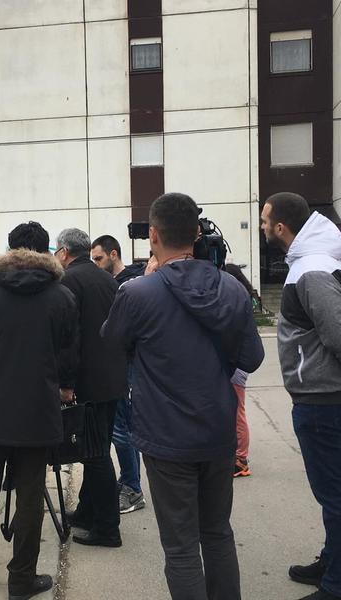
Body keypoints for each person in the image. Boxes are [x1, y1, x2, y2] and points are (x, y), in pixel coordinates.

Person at [103, 193, 264, 600]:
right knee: (218, 533)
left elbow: (112, 343)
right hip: (217, 429)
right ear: (196, 232)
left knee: (180, 547)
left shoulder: (138, 293)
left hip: (165, 434)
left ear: (153, 236)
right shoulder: (231, 287)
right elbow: (252, 357)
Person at [0, 222, 77, 599]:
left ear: (9, 251)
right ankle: (21, 579)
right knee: (30, 496)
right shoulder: (61, 297)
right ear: (46, 251)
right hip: (36, 410)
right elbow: (68, 352)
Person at [261, 192, 341, 600]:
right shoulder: (308, 261)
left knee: (335, 494)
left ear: (280, 226)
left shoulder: (311, 269)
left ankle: (336, 584)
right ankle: (331, 560)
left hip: (323, 400)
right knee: (331, 493)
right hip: (318, 396)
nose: (261, 226)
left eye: (264, 220)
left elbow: (337, 335)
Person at [55, 228, 127, 548]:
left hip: (88, 382)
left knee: (95, 455)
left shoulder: (69, 281)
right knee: (96, 449)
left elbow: (69, 339)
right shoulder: (107, 279)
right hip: (112, 379)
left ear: (64, 252)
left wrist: (66, 383)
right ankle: (87, 511)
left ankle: (108, 528)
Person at [91, 234, 146, 513]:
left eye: (99, 258)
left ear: (113, 254)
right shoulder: (116, 283)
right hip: (119, 364)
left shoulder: (129, 284)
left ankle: (133, 488)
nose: (96, 264)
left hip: (125, 364)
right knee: (124, 428)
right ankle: (129, 482)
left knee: (121, 429)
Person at [224, 263, 255, 478]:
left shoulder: (236, 301)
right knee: (234, 410)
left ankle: (241, 459)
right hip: (237, 361)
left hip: (237, 363)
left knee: (237, 412)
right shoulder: (243, 298)